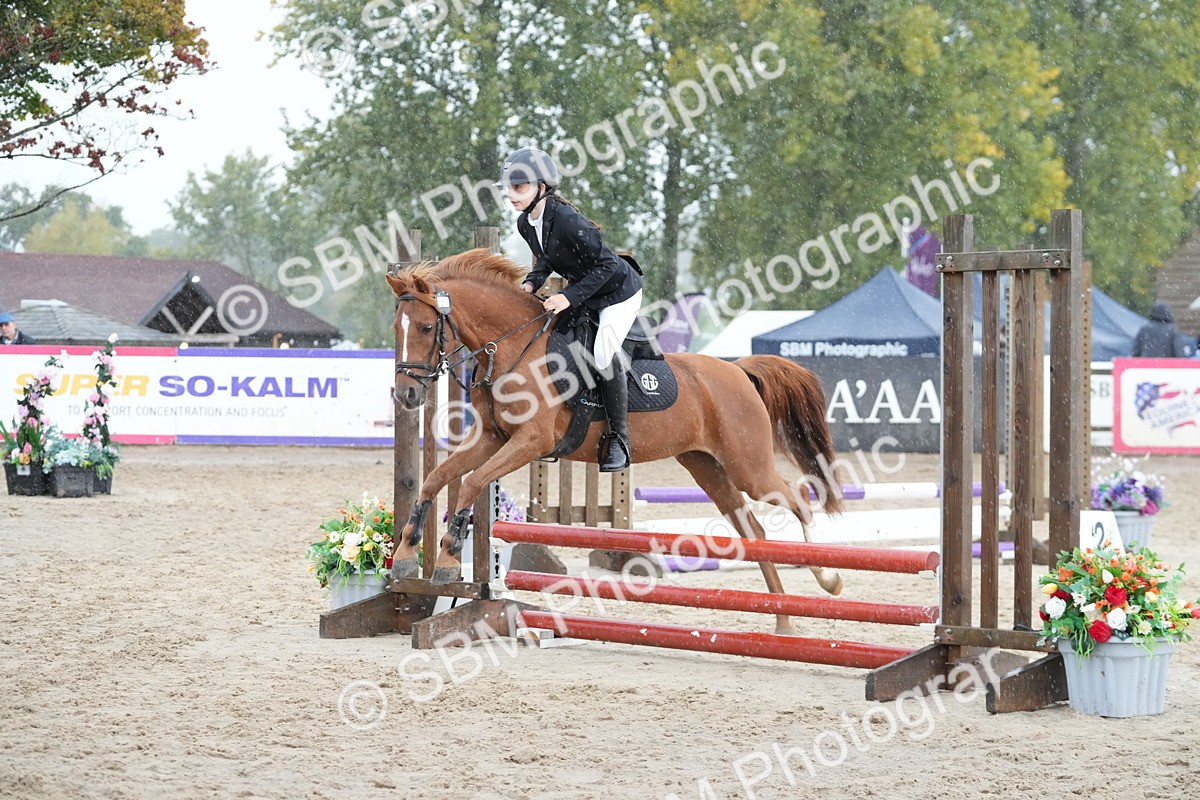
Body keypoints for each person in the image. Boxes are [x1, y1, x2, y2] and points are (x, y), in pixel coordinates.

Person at [498, 146, 644, 471]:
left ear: (542, 187)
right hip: (588, 293)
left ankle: (620, 440)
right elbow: (547, 260)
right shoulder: (526, 223)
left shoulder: (566, 219)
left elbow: (608, 265)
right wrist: (531, 284)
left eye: (519, 187)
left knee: (603, 353)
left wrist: (568, 297)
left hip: (619, 292)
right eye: (509, 187)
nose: (511, 194)